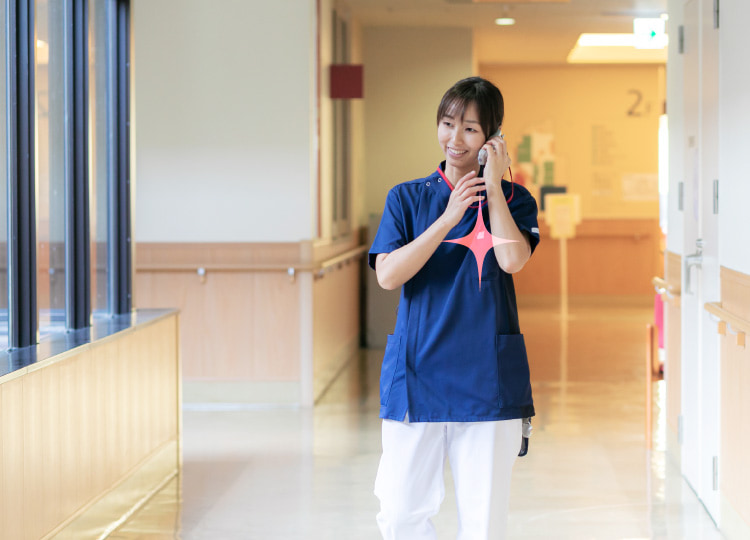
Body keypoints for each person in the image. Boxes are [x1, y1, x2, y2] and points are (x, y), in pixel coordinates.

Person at [368, 76, 540, 539]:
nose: (455, 138)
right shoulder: (407, 198)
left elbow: (512, 259)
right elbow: (388, 275)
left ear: (492, 138)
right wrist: (448, 217)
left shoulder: (516, 201)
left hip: (488, 380)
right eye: (448, 124)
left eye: (470, 128)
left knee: (483, 524)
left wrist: (493, 188)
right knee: (399, 514)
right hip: (417, 375)